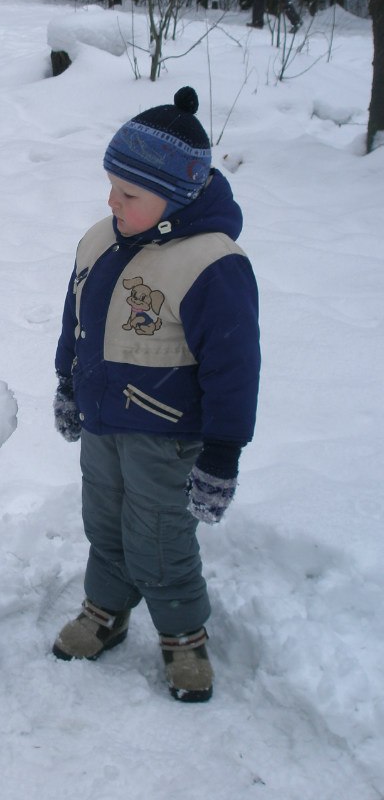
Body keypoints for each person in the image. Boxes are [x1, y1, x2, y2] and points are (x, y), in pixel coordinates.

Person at [52, 86, 260, 703]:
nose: (111, 200)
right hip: (101, 422)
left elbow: (235, 368)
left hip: (168, 435)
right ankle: (106, 609)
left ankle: (182, 634)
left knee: (161, 535)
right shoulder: (100, 239)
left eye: (129, 193)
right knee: (104, 520)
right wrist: (67, 383)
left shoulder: (211, 263)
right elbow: (77, 320)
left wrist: (222, 455)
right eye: (111, 185)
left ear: (178, 196)